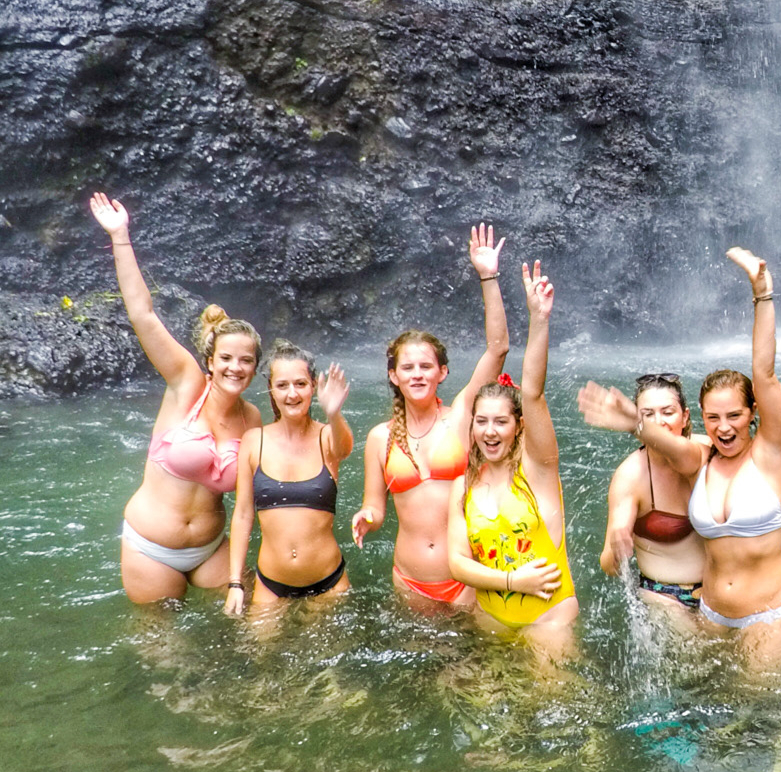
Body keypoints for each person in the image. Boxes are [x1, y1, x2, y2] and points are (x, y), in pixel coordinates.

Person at [579, 248, 781, 672]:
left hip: (750, 606)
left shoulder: (727, 449)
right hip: (687, 603)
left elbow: (764, 376)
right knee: (706, 689)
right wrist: (619, 538)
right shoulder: (664, 466)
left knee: (759, 704)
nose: (725, 426)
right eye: (714, 418)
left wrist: (762, 295)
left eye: (735, 415)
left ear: (684, 419)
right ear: (701, 418)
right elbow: (612, 554)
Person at [89, 193, 263, 604]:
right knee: (169, 659)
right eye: (225, 358)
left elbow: (262, 493)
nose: (234, 368)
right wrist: (120, 236)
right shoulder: (186, 382)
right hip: (151, 547)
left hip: (212, 548)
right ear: (209, 359)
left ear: (256, 368)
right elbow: (143, 315)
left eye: (246, 361)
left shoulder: (253, 417)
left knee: (253, 630)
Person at [353, 224, 510, 611]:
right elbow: (375, 506)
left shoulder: (460, 417)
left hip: (466, 580)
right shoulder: (379, 438)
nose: (417, 374)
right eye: (408, 367)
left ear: (442, 372)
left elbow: (498, 349)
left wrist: (488, 276)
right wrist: (366, 518)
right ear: (393, 375)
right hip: (409, 580)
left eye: (426, 366)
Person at [446, 263, 578, 666]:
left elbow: (533, 392)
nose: (489, 432)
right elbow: (456, 563)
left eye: (501, 422)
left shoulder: (540, 471)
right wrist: (511, 581)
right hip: (490, 621)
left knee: (550, 716)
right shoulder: (464, 486)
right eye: (481, 421)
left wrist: (539, 319)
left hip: (548, 622)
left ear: (518, 426)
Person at [225, 342, 354, 617]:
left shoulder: (327, 436)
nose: (292, 394)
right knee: (259, 656)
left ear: (313, 387)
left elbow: (344, 449)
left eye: (300, 384)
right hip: (270, 584)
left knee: (327, 659)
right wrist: (235, 582)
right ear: (271, 389)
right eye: (282, 385)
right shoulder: (253, 441)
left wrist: (333, 412)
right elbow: (243, 515)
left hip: (327, 582)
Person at [599, 372, 711, 625]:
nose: (657, 423)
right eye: (647, 415)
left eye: (667, 412)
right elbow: (608, 565)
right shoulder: (631, 476)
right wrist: (618, 547)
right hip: (666, 596)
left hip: (720, 592)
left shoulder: (708, 451)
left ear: (685, 416)